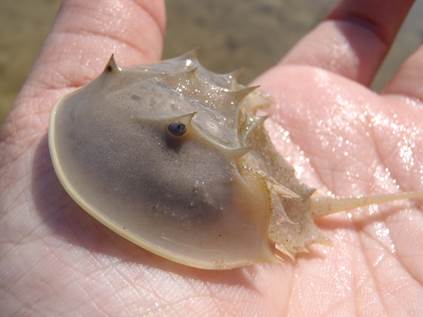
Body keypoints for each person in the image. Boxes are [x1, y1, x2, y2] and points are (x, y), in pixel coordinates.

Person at [1, 0, 422, 315]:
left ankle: (404, 196)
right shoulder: (109, 102)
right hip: (162, 120)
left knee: (192, 136)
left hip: (234, 166)